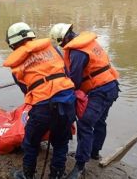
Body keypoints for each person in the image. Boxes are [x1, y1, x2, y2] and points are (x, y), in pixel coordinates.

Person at [3, 22, 76, 179]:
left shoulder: (16, 64)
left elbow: (27, 92)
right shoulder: (53, 49)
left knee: (30, 142)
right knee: (61, 142)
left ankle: (28, 175)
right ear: (32, 36)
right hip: (68, 101)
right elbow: (67, 74)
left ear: (12, 45)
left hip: (43, 108)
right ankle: (56, 175)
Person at [50, 23, 120, 179]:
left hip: (100, 91)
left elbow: (74, 80)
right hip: (112, 86)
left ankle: (80, 165)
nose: (62, 46)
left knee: (85, 123)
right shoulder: (86, 42)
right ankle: (94, 152)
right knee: (100, 121)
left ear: (63, 40)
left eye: (60, 43)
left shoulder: (76, 51)